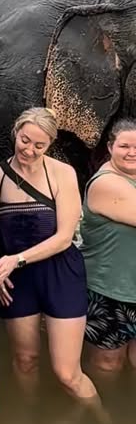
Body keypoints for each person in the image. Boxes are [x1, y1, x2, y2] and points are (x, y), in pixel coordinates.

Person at [0, 107, 98, 405]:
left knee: (67, 373)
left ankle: (102, 422)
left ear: (50, 144)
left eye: (40, 145)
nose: (30, 150)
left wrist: (16, 260)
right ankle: (30, 418)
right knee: (25, 360)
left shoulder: (62, 174)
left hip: (60, 273)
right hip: (17, 280)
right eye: (25, 140)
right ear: (15, 133)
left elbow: (64, 238)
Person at [80, 118, 136, 374]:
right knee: (108, 365)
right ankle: (103, 413)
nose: (132, 153)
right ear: (110, 147)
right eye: (125, 146)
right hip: (111, 291)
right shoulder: (106, 183)